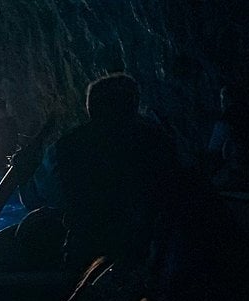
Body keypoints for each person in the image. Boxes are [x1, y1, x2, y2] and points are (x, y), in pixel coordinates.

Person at [32, 73, 180, 286]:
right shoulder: (158, 141)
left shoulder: (67, 146)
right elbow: (173, 192)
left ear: (91, 108)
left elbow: (48, 196)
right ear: (133, 104)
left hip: (88, 246)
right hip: (148, 250)